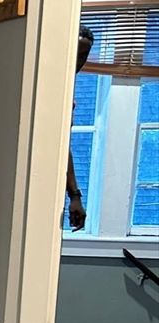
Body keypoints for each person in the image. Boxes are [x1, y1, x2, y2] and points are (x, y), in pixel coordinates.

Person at [66, 25, 94, 231]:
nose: (78, 60)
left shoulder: (67, 89)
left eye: (83, 55)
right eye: (75, 52)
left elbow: (62, 148)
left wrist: (74, 196)